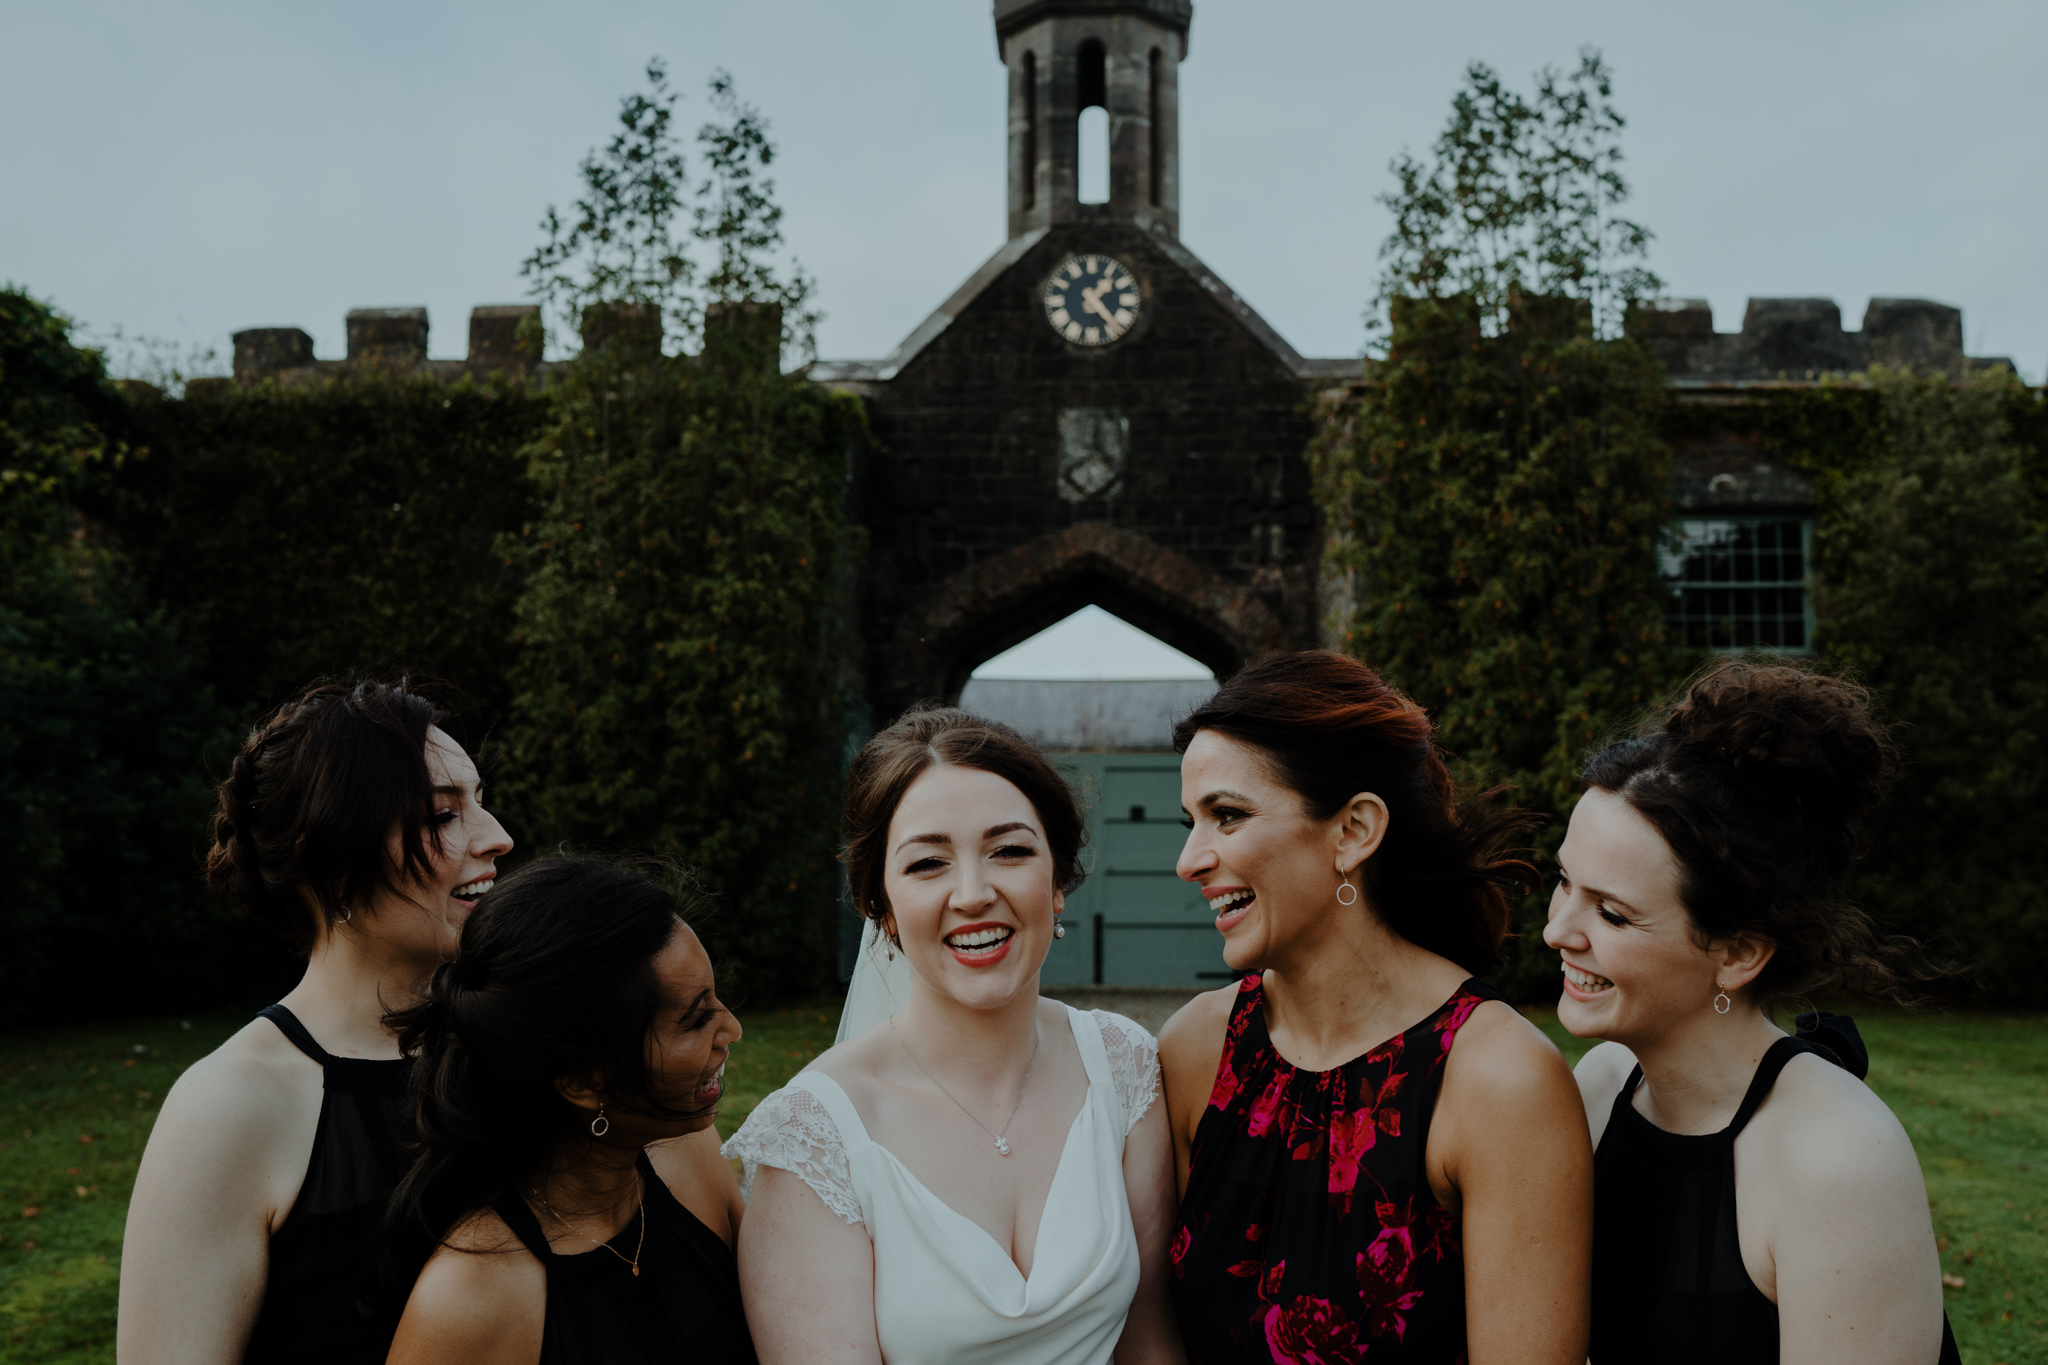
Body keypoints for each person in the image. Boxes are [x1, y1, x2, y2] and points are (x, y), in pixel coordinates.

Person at [1159, 650, 1593, 1364]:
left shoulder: (1498, 1081)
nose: (1190, 859)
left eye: (1227, 815)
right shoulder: (1196, 1050)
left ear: (1355, 830)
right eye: (1191, 822)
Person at [725, 706, 1183, 1365]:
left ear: (1057, 883)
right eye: (928, 863)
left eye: (1010, 850)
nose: (972, 893)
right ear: (878, 905)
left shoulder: (1122, 1063)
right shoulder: (813, 1137)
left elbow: (1149, 1335)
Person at [1545, 660, 1960, 1364]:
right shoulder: (1603, 1083)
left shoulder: (1837, 1164)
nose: (1559, 930)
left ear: (1737, 953)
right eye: (1564, 882)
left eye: (1612, 913)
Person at [118, 680, 513, 1364]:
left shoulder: (523, 1045)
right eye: (444, 814)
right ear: (330, 858)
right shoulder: (228, 1105)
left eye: (480, 800)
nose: (498, 837)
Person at [380, 855, 752, 1364]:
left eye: (716, 999)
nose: (730, 1029)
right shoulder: (470, 1301)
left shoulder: (690, 1159)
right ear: (581, 1081)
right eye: (694, 1020)